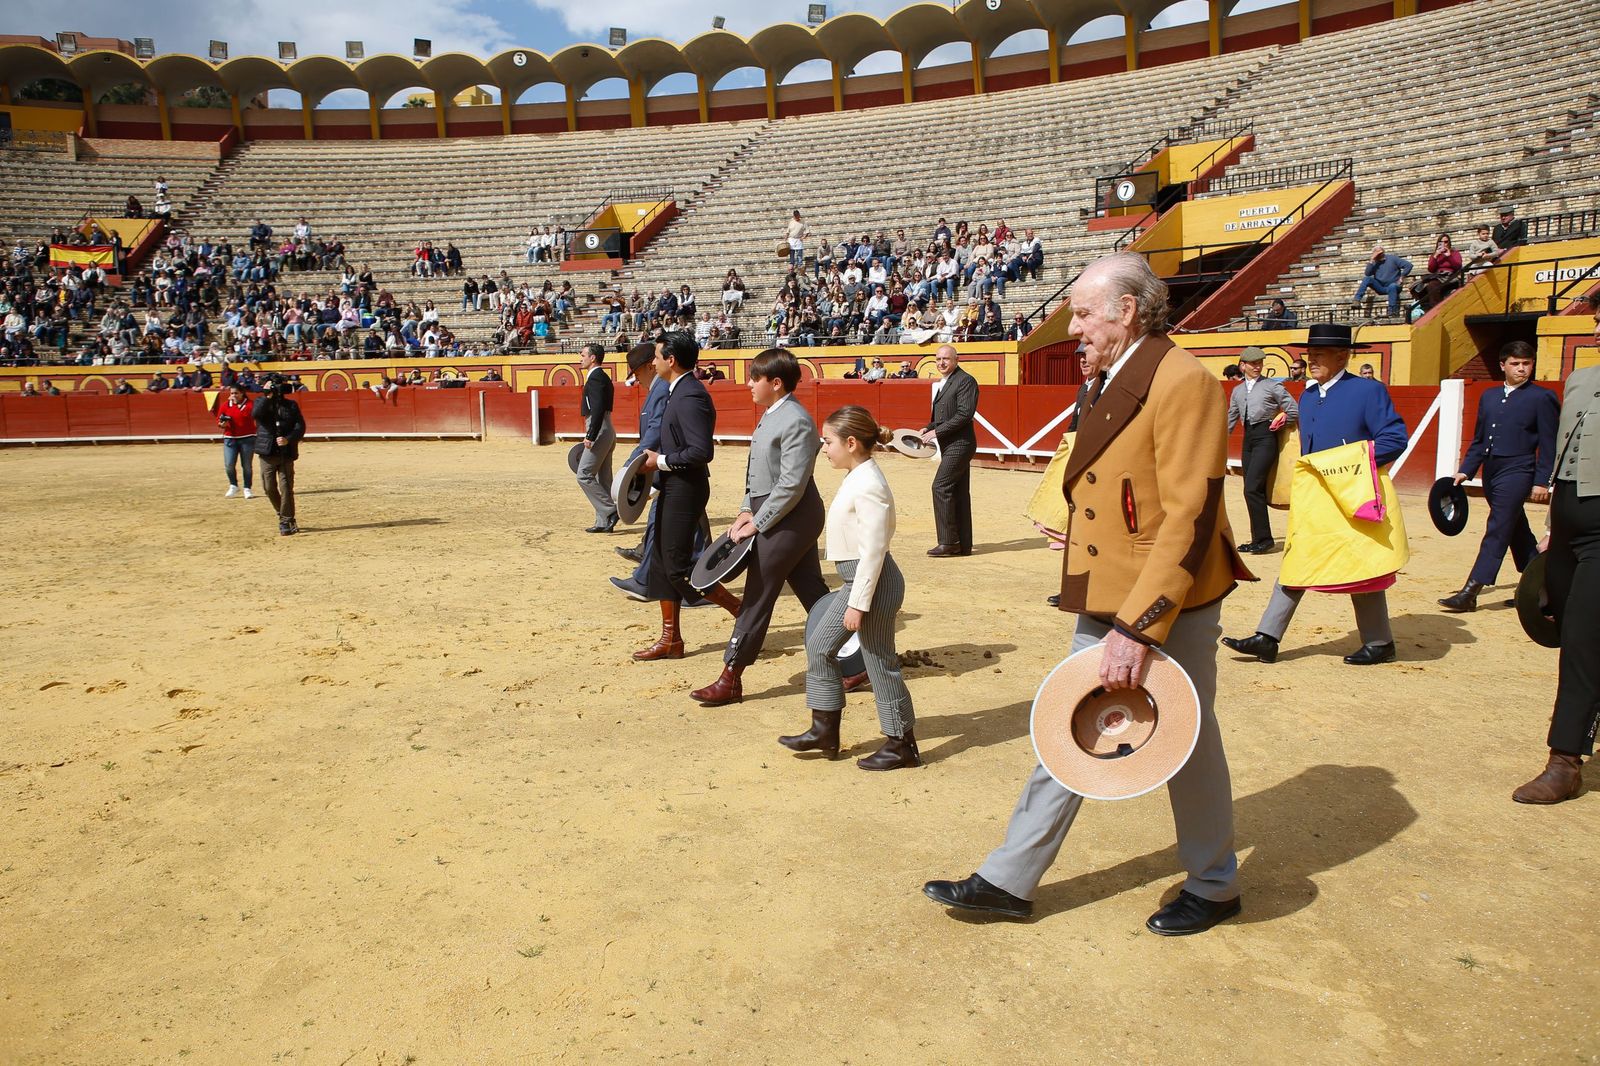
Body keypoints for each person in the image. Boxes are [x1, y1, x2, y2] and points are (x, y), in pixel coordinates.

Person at [923, 253, 1251, 934]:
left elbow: (1189, 516)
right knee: (1066, 722)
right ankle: (1009, 878)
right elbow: (1122, 488)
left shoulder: (1182, 381)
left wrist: (1138, 627)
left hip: (1169, 598)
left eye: (1081, 311)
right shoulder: (1111, 376)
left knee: (1186, 733)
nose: (1072, 327)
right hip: (1113, 584)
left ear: (1126, 310)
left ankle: (1216, 883)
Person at [1222, 323, 1409, 666]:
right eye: (1310, 354)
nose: (1312, 361)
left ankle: (1380, 642)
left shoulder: (1368, 392)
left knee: (1360, 562)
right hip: (1316, 497)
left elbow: (1395, 438)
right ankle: (1268, 636)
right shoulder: (1307, 396)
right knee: (1298, 557)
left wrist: (1348, 465)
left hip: (1352, 492)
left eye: (1319, 354)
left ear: (1343, 356)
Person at [780, 404, 919, 770]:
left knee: (878, 662)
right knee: (820, 645)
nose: (824, 448)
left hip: (870, 583)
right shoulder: (860, 475)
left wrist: (859, 603)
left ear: (852, 443)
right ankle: (824, 731)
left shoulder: (869, 483)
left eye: (828, 442)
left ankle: (901, 744)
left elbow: (874, 551)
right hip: (857, 581)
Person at [688, 349, 829, 706]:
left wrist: (758, 522)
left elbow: (792, 485)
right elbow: (758, 478)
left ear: (776, 383)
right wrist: (743, 511)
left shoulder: (795, 419)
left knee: (758, 592)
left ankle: (731, 677)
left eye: (756, 378)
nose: (749, 383)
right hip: (780, 513)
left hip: (791, 517)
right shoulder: (774, 413)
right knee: (812, 590)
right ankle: (858, 659)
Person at [1512, 302, 1600, 803]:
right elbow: (1564, 460)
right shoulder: (1580, 380)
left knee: (1583, 644)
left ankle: (1564, 760)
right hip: (1567, 527)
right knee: (1565, 626)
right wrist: (1550, 531)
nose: (1598, 326)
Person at [633, 332, 741, 661]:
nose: (652, 361)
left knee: (679, 567)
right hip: (674, 484)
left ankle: (744, 613)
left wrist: (660, 462)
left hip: (686, 486)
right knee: (664, 563)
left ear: (671, 360)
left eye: (657, 356)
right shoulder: (676, 391)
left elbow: (701, 451)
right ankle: (671, 640)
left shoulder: (690, 395)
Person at [1439, 341, 1560, 612]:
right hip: (1492, 472)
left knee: (1498, 528)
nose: (1521, 368)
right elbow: (1480, 439)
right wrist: (1466, 469)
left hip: (1519, 471)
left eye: (1526, 363)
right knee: (1516, 530)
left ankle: (1471, 590)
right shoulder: (1490, 396)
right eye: (1515, 364)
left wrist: (1542, 480)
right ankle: (1544, 587)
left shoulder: (1542, 397)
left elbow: (1549, 444)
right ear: (1502, 365)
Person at [1227, 346, 1298, 553]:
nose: (1258, 367)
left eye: (1260, 363)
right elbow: (1231, 419)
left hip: (1266, 437)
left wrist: (1281, 423)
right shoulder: (1238, 391)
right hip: (1248, 439)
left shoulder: (1272, 386)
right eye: (1253, 363)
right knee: (1251, 491)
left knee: (1252, 487)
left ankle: (1264, 539)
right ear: (1243, 366)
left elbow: (1292, 409)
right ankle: (1259, 538)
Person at [922, 345, 979, 557]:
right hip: (952, 444)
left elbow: (965, 414)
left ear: (956, 360)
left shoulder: (965, 380)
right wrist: (929, 427)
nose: (941, 363)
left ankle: (948, 542)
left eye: (946, 359)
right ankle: (963, 544)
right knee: (958, 492)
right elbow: (944, 414)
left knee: (940, 486)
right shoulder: (947, 382)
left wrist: (937, 431)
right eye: (938, 359)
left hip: (960, 444)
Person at [252, 374, 306, 536]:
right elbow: (256, 415)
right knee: (269, 488)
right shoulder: (261, 402)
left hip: (286, 452)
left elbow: (300, 426)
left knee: (286, 487)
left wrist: (289, 440)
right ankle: (283, 513)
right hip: (267, 452)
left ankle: (286, 520)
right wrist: (268, 395)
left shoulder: (291, 405)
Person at [576, 343, 618, 534]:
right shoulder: (602, 377)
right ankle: (603, 522)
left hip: (599, 428)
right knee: (604, 477)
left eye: (583, 354)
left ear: (593, 358)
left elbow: (598, 408)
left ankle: (610, 510)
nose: (580, 358)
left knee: (584, 474)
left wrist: (591, 435)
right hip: (606, 427)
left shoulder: (595, 379)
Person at [217, 384, 257, 499]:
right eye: (232, 393)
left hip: (248, 438)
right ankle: (233, 485)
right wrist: (222, 424)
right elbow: (219, 422)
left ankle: (247, 488)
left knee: (247, 465)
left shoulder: (250, 405)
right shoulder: (225, 405)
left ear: (242, 393)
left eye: (236, 393)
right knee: (229, 465)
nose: (233, 395)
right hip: (230, 438)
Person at [1351, 246, 1413, 317]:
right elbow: (1367, 273)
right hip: (1381, 287)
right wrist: (1372, 260)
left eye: (1381, 253)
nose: (1380, 255)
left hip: (1394, 286)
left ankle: (1392, 312)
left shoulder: (1392, 258)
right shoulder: (1374, 262)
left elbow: (1409, 265)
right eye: (1378, 254)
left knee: (1392, 286)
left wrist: (1402, 277)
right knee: (1367, 279)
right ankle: (1357, 300)